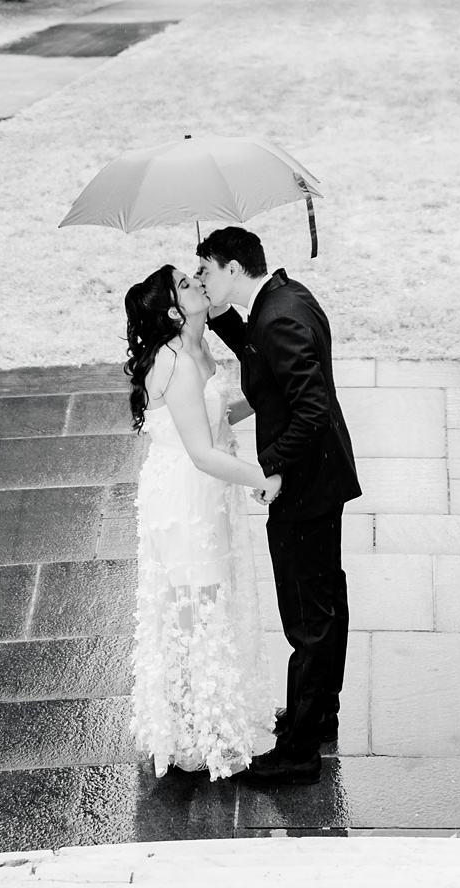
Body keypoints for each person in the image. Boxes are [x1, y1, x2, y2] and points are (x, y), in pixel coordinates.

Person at [197, 224, 361, 788]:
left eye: (208, 270)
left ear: (234, 268)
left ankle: (298, 752)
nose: (201, 279)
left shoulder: (278, 316)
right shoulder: (284, 299)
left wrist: (273, 470)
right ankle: (319, 716)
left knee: (307, 616)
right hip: (321, 480)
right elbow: (261, 352)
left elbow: (310, 409)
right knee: (324, 601)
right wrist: (218, 317)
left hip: (305, 485)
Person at [122, 262, 279, 779]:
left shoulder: (199, 347)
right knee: (194, 604)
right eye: (187, 285)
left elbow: (212, 417)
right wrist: (260, 475)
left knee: (208, 598)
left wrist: (262, 396)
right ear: (173, 309)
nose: (200, 284)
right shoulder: (178, 362)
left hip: (206, 494)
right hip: (184, 498)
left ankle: (206, 713)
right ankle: (196, 726)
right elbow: (201, 452)